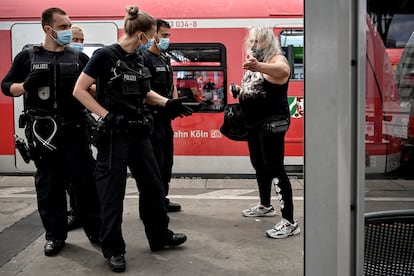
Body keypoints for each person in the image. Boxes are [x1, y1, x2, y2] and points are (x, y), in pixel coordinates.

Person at [73, 6, 191, 273]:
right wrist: (106, 115)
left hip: (139, 134)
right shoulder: (104, 56)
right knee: (112, 196)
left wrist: (167, 103)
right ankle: (114, 249)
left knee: (154, 188)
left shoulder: (138, 60)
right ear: (140, 35)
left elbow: (146, 92)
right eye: (151, 37)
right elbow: (79, 90)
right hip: (114, 136)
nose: (152, 41)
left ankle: (159, 236)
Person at [1, 7, 101, 256]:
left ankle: (95, 231)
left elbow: (96, 90)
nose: (68, 31)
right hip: (44, 133)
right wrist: (25, 85)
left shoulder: (80, 59)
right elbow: (6, 87)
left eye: (69, 26)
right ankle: (55, 236)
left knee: (86, 183)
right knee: (49, 186)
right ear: (48, 29)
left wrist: (90, 90)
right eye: (64, 27)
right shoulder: (27, 57)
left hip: (75, 130)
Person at [233, 26, 300, 238]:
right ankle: (265, 206)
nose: (253, 45)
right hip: (253, 125)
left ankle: (289, 222)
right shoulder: (254, 64)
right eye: (251, 41)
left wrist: (259, 65)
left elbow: (284, 72)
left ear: (269, 42)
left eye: (258, 41)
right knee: (260, 166)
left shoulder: (275, 60)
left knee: (275, 168)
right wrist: (238, 90)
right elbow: (254, 89)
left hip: (271, 124)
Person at [142, 19, 182, 212]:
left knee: (166, 162)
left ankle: (162, 198)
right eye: (164, 35)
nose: (167, 39)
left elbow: (171, 85)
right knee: (154, 164)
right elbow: (144, 92)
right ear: (153, 35)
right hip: (151, 120)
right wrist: (166, 104)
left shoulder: (165, 59)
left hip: (165, 120)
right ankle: (152, 204)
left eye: (169, 35)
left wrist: (175, 104)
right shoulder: (144, 58)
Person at [65, 24, 86, 231]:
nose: (78, 44)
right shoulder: (35, 58)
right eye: (75, 39)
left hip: (78, 124)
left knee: (79, 174)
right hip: (52, 129)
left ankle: (77, 213)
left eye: (81, 40)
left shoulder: (83, 61)